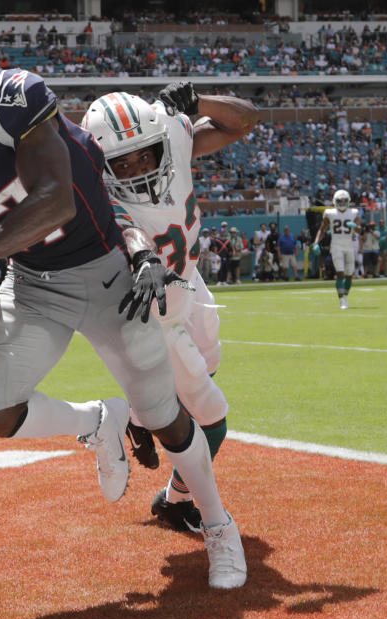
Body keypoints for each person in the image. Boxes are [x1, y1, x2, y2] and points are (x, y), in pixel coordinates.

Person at [0, 44, 245, 589]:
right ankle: (96, 423)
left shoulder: (6, 101)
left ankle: (219, 525)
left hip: (109, 267)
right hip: (35, 279)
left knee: (165, 416)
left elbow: (56, 200)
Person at [83, 86, 257, 548]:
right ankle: (177, 499)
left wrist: (199, 101)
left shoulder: (174, 133)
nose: (139, 169)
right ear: (101, 165)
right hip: (151, 309)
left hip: (189, 281)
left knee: (210, 356)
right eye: (123, 163)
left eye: (146, 155)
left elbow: (243, 119)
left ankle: (139, 415)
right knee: (212, 415)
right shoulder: (93, 193)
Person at [313, 189, 361, 309]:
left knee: (349, 275)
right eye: (340, 200)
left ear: (348, 201)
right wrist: (315, 243)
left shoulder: (354, 212)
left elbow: (360, 230)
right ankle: (342, 301)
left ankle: (345, 296)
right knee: (340, 273)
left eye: (344, 200)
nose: (342, 203)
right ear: (335, 201)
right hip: (336, 245)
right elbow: (322, 229)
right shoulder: (330, 213)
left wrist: (355, 226)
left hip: (349, 245)